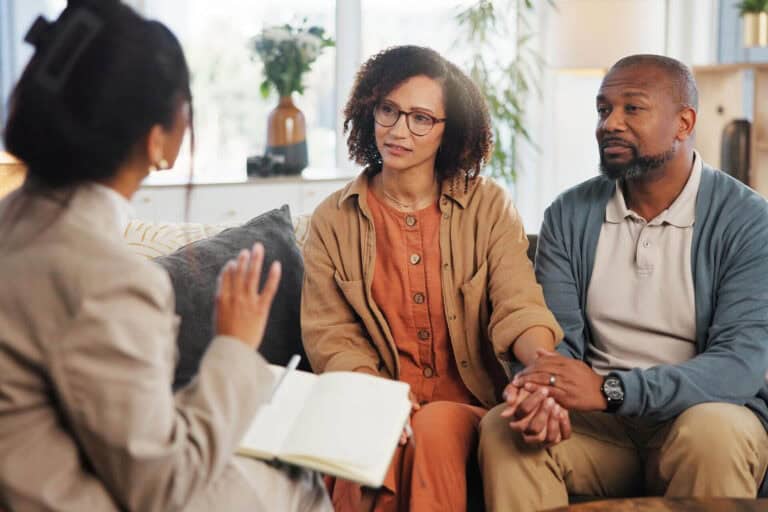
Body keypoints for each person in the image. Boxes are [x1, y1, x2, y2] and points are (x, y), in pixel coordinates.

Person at [0, 1, 331, 511]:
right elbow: (164, 486)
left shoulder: (13, 223)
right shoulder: (108, 278)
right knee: (298, 488)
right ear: (160, 139)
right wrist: (236, 347)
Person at [478, 54, 768, 511]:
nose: (610, 123)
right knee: (504, 428)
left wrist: (612, 390)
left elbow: (738, 366)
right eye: (602, 109)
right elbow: (559, 344)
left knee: (714, 432)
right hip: (599, 430)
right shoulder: (569, 215)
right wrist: (544, 394)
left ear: (683, 122)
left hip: (697, 417)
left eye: (632, 108)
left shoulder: (748, 221)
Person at [300, 45, 564, 511]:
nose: (399, 130)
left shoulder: (488, 206)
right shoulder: (332, 220)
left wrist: (540, 369)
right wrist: (379, 400)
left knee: (436, 425)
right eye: (389, 111)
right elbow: (331, 338)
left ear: (450, 130)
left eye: (421, 118)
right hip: (376, 396)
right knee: (371, 438)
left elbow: (518, 305)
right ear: (369, 111)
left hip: (468, 405)